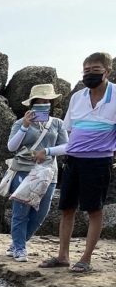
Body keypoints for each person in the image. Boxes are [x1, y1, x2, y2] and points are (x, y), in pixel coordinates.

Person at [34, 52, 116, 273]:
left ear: (106, 71)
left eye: (95, 70)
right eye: (86, 70)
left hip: (99, 163)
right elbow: (72, 138)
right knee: (67, 208)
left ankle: (86, 259)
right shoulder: (78, 97)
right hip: (73, 161)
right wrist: (49, 150)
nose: (89, 74)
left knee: (94, 210)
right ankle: (63, 256)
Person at [5, 83, 68, 262]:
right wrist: (25, 126)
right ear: (32, 104)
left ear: (52, 103)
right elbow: (11, 147)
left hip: (49, 173)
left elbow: (66, 147)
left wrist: (48, 152)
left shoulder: (57, 123)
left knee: (40, 214)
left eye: (47, 100)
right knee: (21, 211)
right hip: (24, 171)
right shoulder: (19, 122)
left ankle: (18, 242)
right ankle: (19, 248)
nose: (43, 103)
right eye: (39, 101)